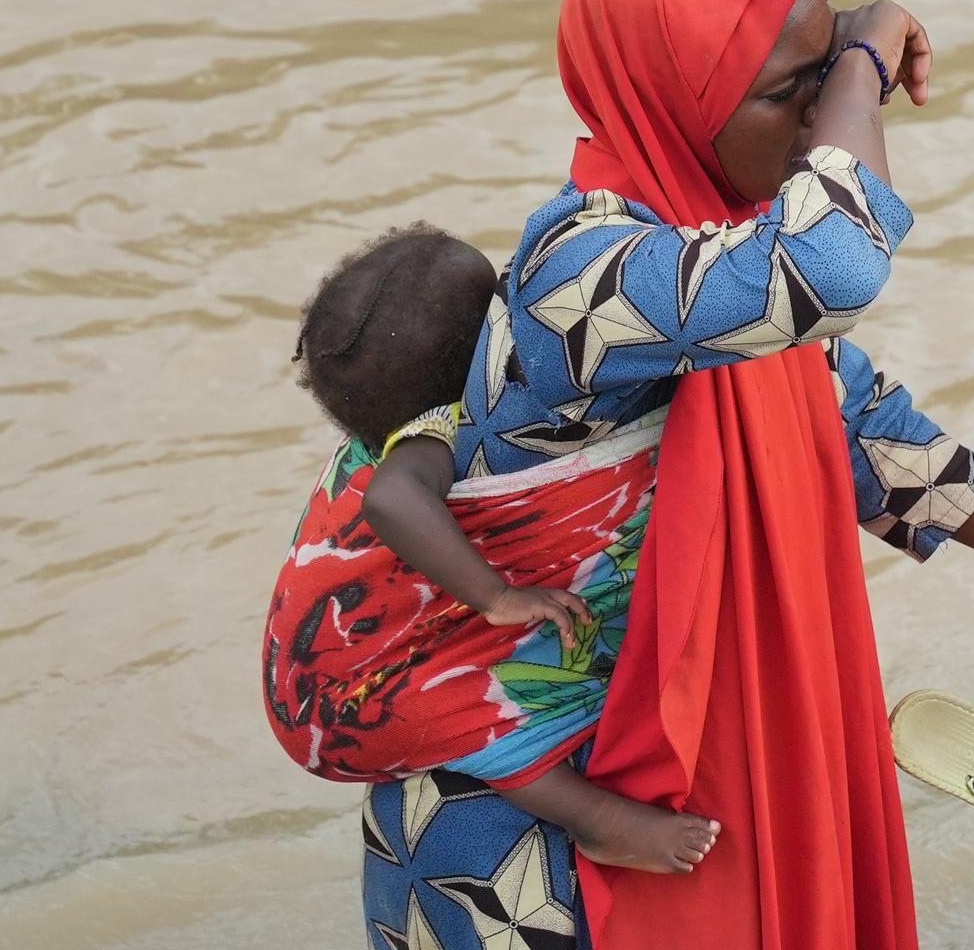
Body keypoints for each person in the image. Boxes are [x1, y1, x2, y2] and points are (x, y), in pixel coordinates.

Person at [332, 0, 974, 950]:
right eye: (791, 92)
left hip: (666, 782)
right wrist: (864, 54)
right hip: (522, 839)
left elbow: (864, 439)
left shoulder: (713, 258)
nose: (819, 126)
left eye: (825, 80)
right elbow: (833, 265)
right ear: (669, 96)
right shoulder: (585, 272)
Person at [262, 223, 719, 872]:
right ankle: (598, 821)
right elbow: (389, 501)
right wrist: (497, 598)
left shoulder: (391, 421)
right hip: (343, 703)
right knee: (478, 715)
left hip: (331, 660)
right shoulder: (432, 433)